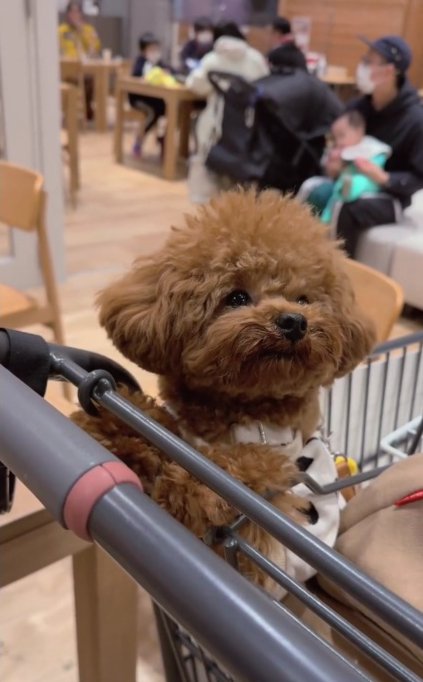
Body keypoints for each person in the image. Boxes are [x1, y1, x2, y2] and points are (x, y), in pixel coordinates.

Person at [333, 36, 423, 258]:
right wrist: (333, 161)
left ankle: (341, 277)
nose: (361, 67)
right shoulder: (358, 108)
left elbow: (418, 178)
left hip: (391, 197)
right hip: (349, 180)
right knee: (312, 188)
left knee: (348, 209)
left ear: (389, 72)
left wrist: (382, 177)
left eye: (369, 62)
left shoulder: (415, 120)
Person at [186, 21, 269, 202]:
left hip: (215, 131)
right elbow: (267, 87)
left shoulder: (212, 59)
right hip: (248, 130)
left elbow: (195, 85)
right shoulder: (256, 58)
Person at [309, 111, 391, 224]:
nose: (338, 142)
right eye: (335, 138)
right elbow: (328, 169)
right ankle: (326, 217)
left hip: (369, 180)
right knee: (336, 190)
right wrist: (333, 164)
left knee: (361, 182)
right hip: (342, 180)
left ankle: (349, 189)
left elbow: (378, 166)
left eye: (342, 136)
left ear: (358, 131)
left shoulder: (371, 148)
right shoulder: (339, 150)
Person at [128, 33, 170, 158]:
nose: (155, 52)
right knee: (153, 112)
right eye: (151, 49)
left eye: (156, 49)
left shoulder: (159, 62)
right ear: (143, 50)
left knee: (168, 110)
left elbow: (170, 71)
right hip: (139, 98)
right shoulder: (140, 62)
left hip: (156, 99)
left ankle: (163, 139)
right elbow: (135, 76)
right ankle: (139, 141)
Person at [58, 1, 101, 120]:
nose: (74, 15)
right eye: (71, 12)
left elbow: (95, 48)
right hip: (67, 69)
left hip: (85, 68)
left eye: (77, 12)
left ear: (81, 14)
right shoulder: (61, 31)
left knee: (91, 79)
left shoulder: (88, 29)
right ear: (67, 14)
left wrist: (81, 31)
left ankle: (88, 107)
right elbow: (58, 49)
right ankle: (68, 109)